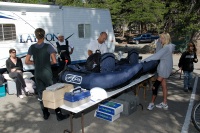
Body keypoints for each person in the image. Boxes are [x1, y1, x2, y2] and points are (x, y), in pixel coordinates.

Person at [25, 28, 68, 121]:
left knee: (41, 93)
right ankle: (59, 114)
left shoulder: (32, 47)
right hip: (47, 74)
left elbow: (27, 61)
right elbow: (54, 61)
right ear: (44, 36)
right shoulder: (48, 46)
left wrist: (36, 62)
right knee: (53, 92)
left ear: (36, 36)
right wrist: (46, 63)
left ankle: (45, 114)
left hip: (37, 74)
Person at [142, 33, 175, 111]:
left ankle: (152, 103)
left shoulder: (166, 48)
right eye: (160, 38)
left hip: (164, 69)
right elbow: (158, 52)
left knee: (155, 86)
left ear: (166, 39)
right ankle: (165, 103)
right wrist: (158, 43)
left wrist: (143, 61)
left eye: (162, 38)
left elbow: (156, 56)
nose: (161, 39)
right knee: (164, 86)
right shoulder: (167, 46)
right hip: (165, 67)